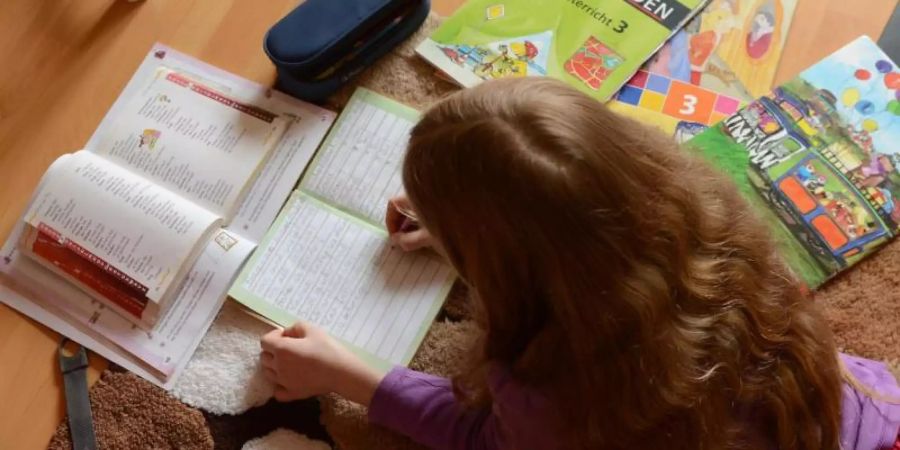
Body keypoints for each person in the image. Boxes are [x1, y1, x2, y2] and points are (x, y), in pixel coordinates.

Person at [260, 78, 900, 449]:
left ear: (510, 274)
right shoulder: (720, 225)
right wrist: (477, 233)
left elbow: (487, 439)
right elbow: (586, 242)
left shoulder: (553, 390)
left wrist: (351, 376)